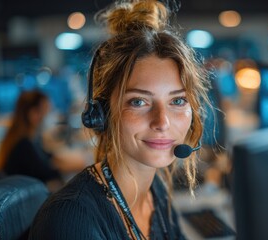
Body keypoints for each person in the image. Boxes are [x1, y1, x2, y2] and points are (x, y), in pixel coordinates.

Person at [29, 0, 213, 239]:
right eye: (139, 102)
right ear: (102, 112)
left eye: (177, 101)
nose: (162, 122)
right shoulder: (70, 219)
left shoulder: (155, 191)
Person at [0, 90, 62, 187]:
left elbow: (47, 157)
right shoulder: (23, 144)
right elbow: (46, 173)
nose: (45, 116)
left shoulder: (26, 138)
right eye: (43, 110)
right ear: (32, 113)